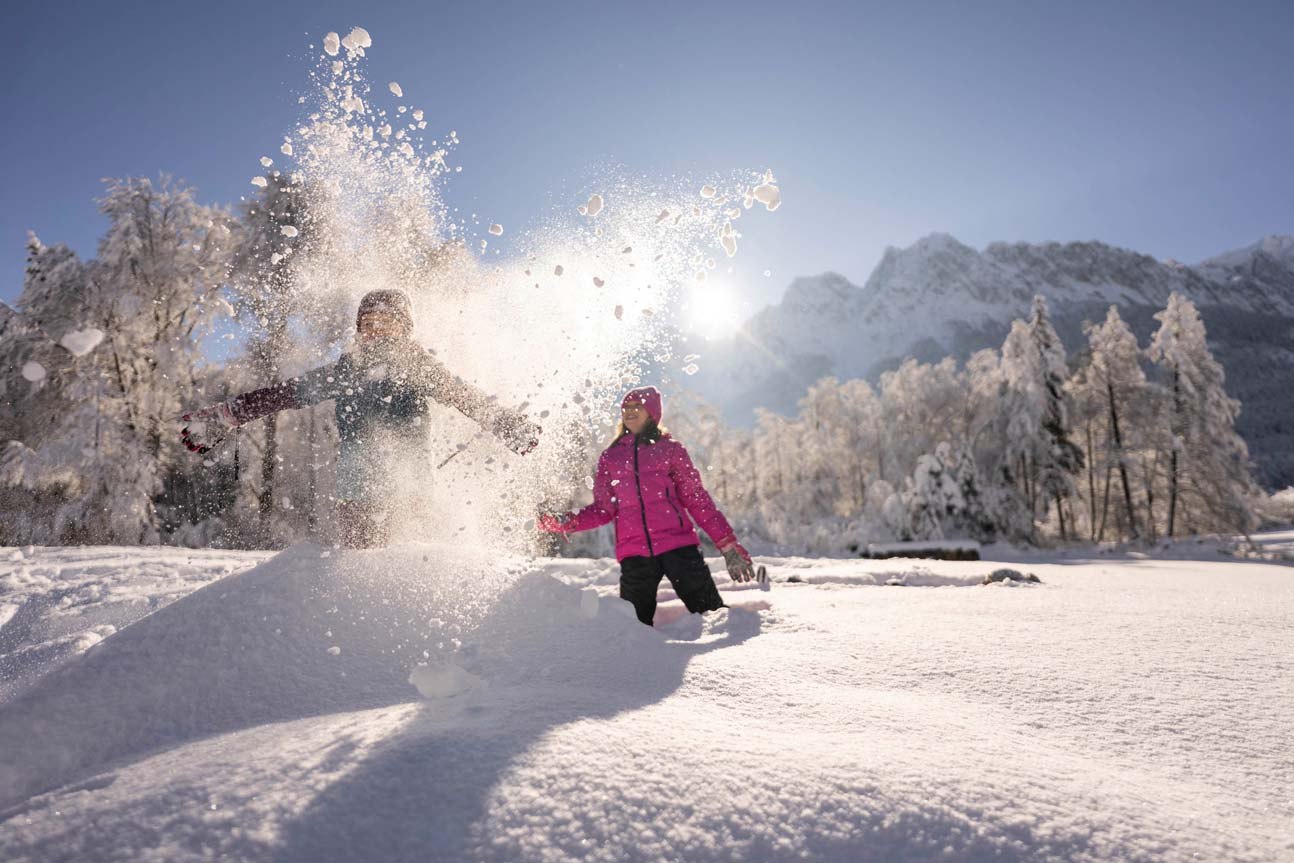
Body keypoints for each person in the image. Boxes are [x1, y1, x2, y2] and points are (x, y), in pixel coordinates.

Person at [180, 289, 539, 547]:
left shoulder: (418, 366)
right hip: (356, 495)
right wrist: (227, 416)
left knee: (411, 562)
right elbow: (283, 395)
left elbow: (465, 397)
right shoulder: (346, 370)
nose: (376, 330)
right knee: (357, 565)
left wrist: (505, 423)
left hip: (411, 491)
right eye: (369, 323)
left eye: (387, 322)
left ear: (405, 328)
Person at [538, 386, 756, 626]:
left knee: (712, 612)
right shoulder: (610, 457)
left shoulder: (671, 450)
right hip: (635, 555)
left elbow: (697, 499)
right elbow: (603, 510)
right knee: (632, 626)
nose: (629, 412)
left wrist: (727, 544)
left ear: (652, 413)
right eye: (626, 408)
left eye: (636, 407)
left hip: (679, 548)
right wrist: (569, 522)